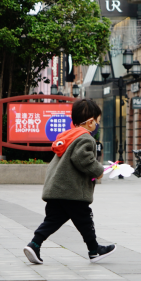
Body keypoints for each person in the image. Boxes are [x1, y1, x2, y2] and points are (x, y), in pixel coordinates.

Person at [23, 99, 116, 265]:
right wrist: (99, 171)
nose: (97, 126)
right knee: (85, 220)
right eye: (98, 122)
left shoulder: (68, 136)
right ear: (90, 122)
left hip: (57, 189)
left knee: (53, 220)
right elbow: (82, 159)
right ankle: (94, 250)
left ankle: (34, 244)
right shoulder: (85, 138)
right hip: (71, 191)